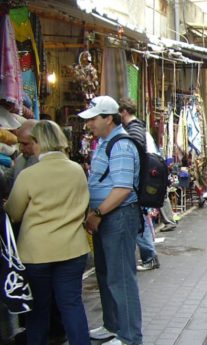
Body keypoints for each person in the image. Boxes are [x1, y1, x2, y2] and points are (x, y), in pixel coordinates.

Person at [4, 120, 91, 345]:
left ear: (38, 142)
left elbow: (13, 212)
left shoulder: (29, 175)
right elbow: (84, 205)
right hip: (73, 249)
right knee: (71, 305)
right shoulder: (77, 171)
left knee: (38, 310)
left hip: (36, 253)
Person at [79, 96, 143, 345]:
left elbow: (123, 189)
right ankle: (112, 325)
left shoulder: (121, 145)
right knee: (106, 274)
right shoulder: (106, 142)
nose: (89, 124)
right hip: (107, 217)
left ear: (108, 118)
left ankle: (129, 337)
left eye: (93, 119)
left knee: (121, 278)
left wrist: (98, 213)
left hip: (118, 217)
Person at [119, 97, 160, 272]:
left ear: (124, 112)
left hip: (137, 184)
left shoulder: (134, 130)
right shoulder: (137, 128)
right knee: (141, 221)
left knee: (139, 222)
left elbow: (134, 158)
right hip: (139, 183)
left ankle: (149, 256)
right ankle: (149, 255)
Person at [5, 119, 37, 187]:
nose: (21, 148)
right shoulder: (21, 159)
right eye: (20, 143)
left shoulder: (48, 164)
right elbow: (7, 181)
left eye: (25, 144)